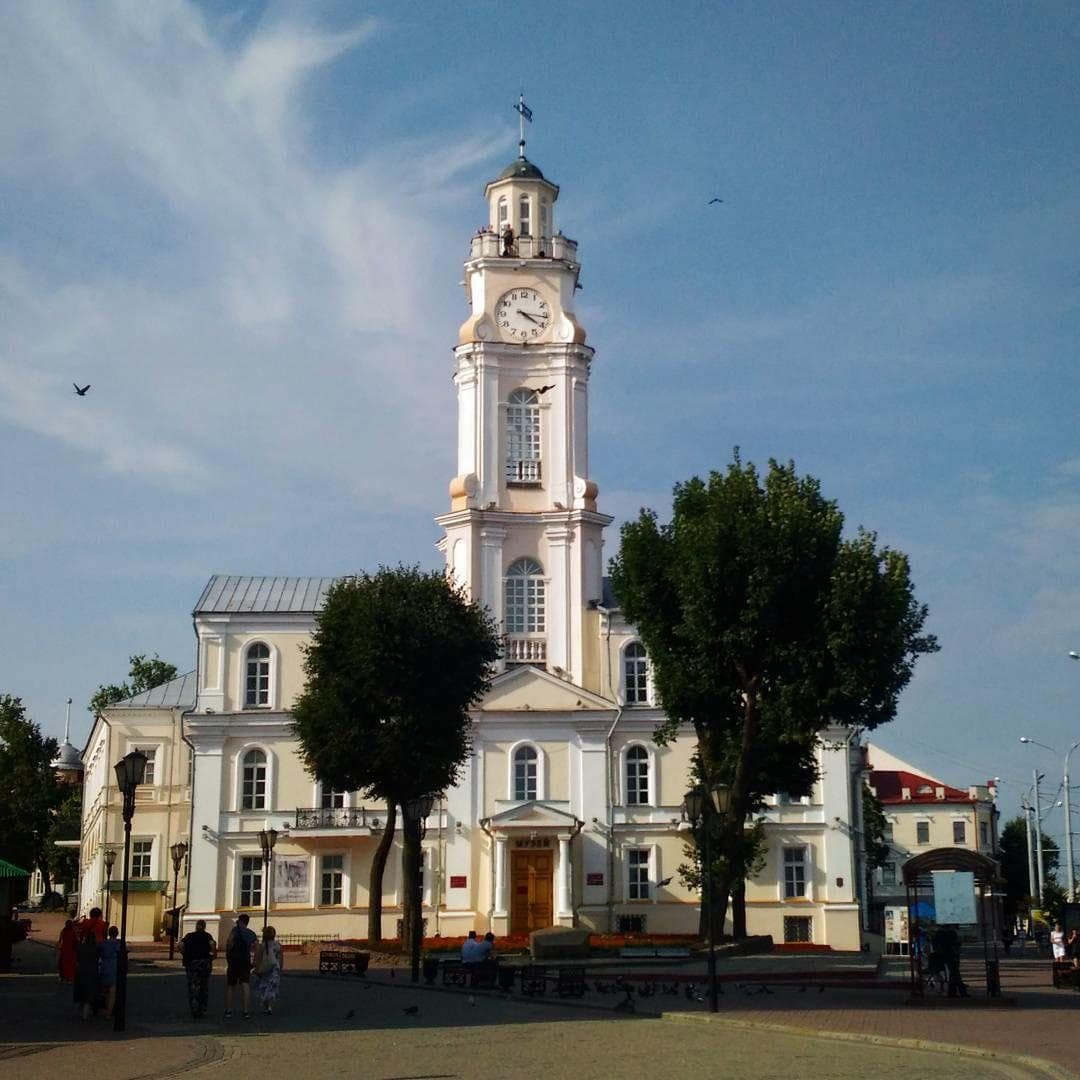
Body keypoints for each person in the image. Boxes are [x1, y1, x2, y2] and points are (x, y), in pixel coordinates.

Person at [223, 912, 257, 1019]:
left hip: (234, 960)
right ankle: (246, 1011)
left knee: (231, 986)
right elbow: (256, 947)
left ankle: (229, 1010)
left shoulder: (234, 931)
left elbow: (229, 943)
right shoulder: (251, 933)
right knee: (245, 984)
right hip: (245, 961)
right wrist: (254, 961)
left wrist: (228, 956)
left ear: (240, 921)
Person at [181, 918, 217, 1019]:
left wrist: (184, 953)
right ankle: (202, 1008)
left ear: (196, 926)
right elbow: (212, 945)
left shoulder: (189, 936)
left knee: (192, 986)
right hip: (204, 963)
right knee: (204, 985)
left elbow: (180, 944)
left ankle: (194, 1008)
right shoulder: (207, 936)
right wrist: (213, 955)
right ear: (204, 927)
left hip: (192, 963)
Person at [252, 925, 283, 1015]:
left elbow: (258, 958)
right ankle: (270, 1006)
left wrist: (257, 969)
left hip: (264, 969)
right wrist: (280, 968)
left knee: (263, 987)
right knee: (272, 987)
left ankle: (266, 1005)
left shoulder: (262, 946)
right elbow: (281, 958)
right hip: (274, 969)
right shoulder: (278, 945)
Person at [74, 930, 100, 1020]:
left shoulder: (81, 947)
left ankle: (76, 1012)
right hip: (91, 973)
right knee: (88, 996)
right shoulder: (96, 948)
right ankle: (85, 1015)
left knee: (79, 993)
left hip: (81, 972)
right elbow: (97, 960)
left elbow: (77, 959)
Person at [98, 926, 121, 1019]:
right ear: (117, 933)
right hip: (114, 966)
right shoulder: (118, 944)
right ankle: (109, 1012)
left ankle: (107, 1009)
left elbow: (99, 953)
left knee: (106, 991)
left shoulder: (103, 944)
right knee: (113, 991)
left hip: (105, 965)